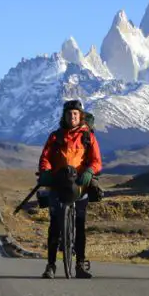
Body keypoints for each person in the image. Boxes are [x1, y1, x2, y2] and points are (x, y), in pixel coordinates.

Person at [36, 98, 102, 279]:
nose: (72, 117)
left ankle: (80, 264)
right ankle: (50, 266)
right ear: (64, 116)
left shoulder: (88, 136)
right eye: (69, 114)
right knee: (54, 225)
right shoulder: (55, 136)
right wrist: (45, 171)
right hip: (58, 182)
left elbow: (96, 161)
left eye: (75, 114)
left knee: (80, 226)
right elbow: (45, 158)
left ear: (80, 116)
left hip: (80, 184)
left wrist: (89, 171)